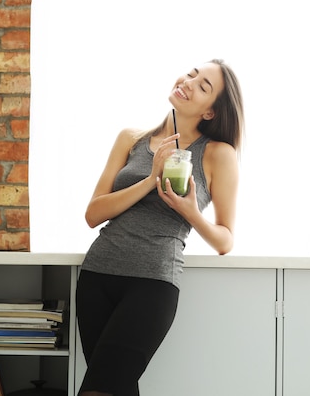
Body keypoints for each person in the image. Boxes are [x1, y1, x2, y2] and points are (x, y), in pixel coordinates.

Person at [76, 58, 245, 396]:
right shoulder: (131, 139)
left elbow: (225, 239)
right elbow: (93, 214)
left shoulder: (217, 154)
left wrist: (192, 213)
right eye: (192, 74)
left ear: (210, 112)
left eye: (203, 86)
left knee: (98, 390)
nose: (189, 81)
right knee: (115, 388)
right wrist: (151, 179)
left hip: (152, 285)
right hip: (97, 276)